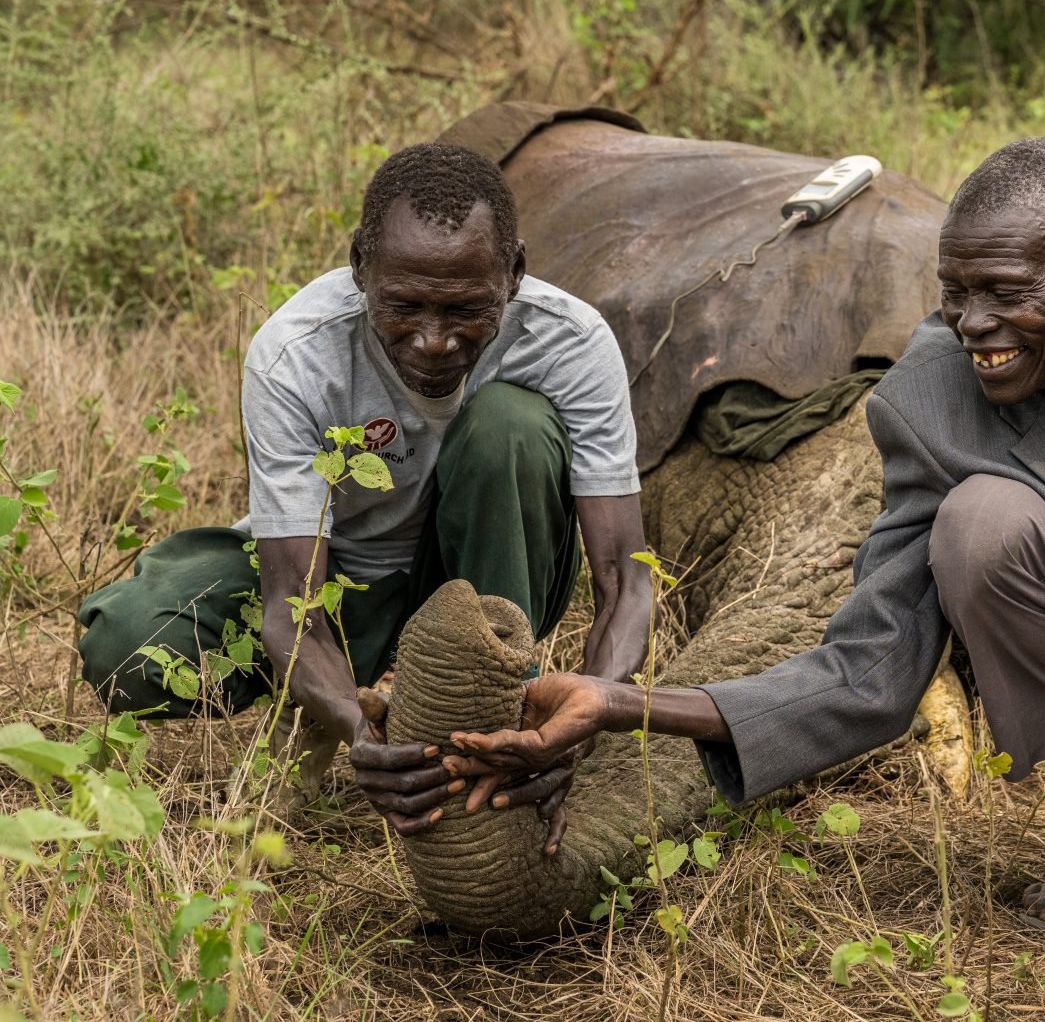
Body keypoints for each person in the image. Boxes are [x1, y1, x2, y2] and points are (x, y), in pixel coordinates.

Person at [406, 138, 1045, 957]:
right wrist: (622, 704)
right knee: (979, 528)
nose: (972, 322)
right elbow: (866, 670)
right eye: (956, 290)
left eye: (1007, 291)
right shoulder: (928, 400)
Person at [77, 143, 651, 852]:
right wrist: (358, 730)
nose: (436, 341)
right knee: (126, 645)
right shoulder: (297, 353)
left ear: (515, 273)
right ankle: (333, 702)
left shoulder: (571, 342)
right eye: (404, 305)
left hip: (482, 578)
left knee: (512, 426)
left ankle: (500, 707)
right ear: (359, 267)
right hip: (338, 584)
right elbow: (292, 602)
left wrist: (584, 715)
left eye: (469, 310)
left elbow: (627, 577)